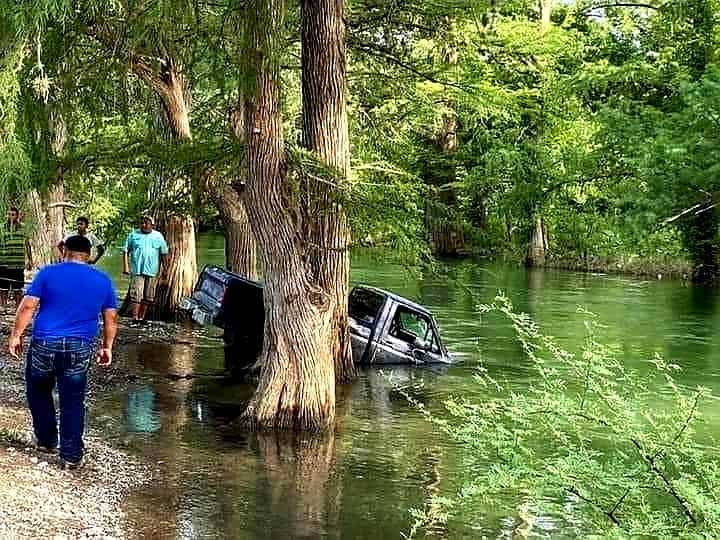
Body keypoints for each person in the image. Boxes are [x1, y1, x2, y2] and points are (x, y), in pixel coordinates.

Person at [8, 235, 118, 470]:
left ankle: (47, 441)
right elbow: (111, 318)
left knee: (38, 390)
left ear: (64, 251)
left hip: (45, 342)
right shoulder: (103, 280)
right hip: (79, 346)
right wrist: (107, 346)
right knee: (73, 398)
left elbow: (28, 305)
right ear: (88, 255)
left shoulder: (49, 273)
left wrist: (16, 335)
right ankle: (71, 455)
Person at [122, 215, 169, 322]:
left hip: (152, 270)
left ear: (152, 225)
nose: (143, 225)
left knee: (148, 295)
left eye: (146, 223)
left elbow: (164, 253)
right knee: (137, 294)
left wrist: (165, 269)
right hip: (137, 270)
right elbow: (125, 250)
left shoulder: (158, 236)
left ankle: (142, 317)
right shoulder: (133, 234)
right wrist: (126, 266)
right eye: (142, 223)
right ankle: (135, 317)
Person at [0, 207, 31, 303]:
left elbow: (27, 244)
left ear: (17, 216)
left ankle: (18, 309)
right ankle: (3, 308)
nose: (10, 217)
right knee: (3, 288)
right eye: (9, 214)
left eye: (13, 215)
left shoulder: (23, 228)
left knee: (18, 288)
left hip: (18, 263)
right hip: (4, 263)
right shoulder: (1, 227)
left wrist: (30, 260)